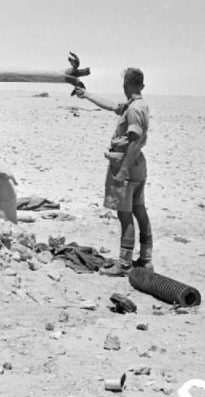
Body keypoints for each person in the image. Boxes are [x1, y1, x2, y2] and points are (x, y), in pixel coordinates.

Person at [75, 67, 153, 276]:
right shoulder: (137, 105)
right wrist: (87, 94)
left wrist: (122, 172)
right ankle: (145, 260)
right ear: (142, 85)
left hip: (126, 163)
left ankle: (124, 264)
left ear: (125, 85)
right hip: (137, 166)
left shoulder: (134, 109)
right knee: (139, 211)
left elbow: (134, 142)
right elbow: (112, 106)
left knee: (125, 214)